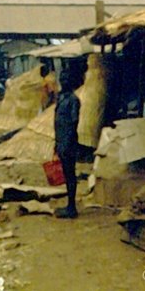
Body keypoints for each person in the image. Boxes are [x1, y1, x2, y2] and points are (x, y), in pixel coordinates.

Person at [54, 69, 82, 219]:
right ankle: (69, 205)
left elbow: (73, 123)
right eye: (61, 78)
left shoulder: (73, 100)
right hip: (61, 140)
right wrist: (57, 142)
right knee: (66, 174)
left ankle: (72, 207)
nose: (63, 81)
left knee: (70, 174)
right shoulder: (61, 97)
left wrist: (65, 143)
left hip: (69, 143)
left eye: (66, 79)